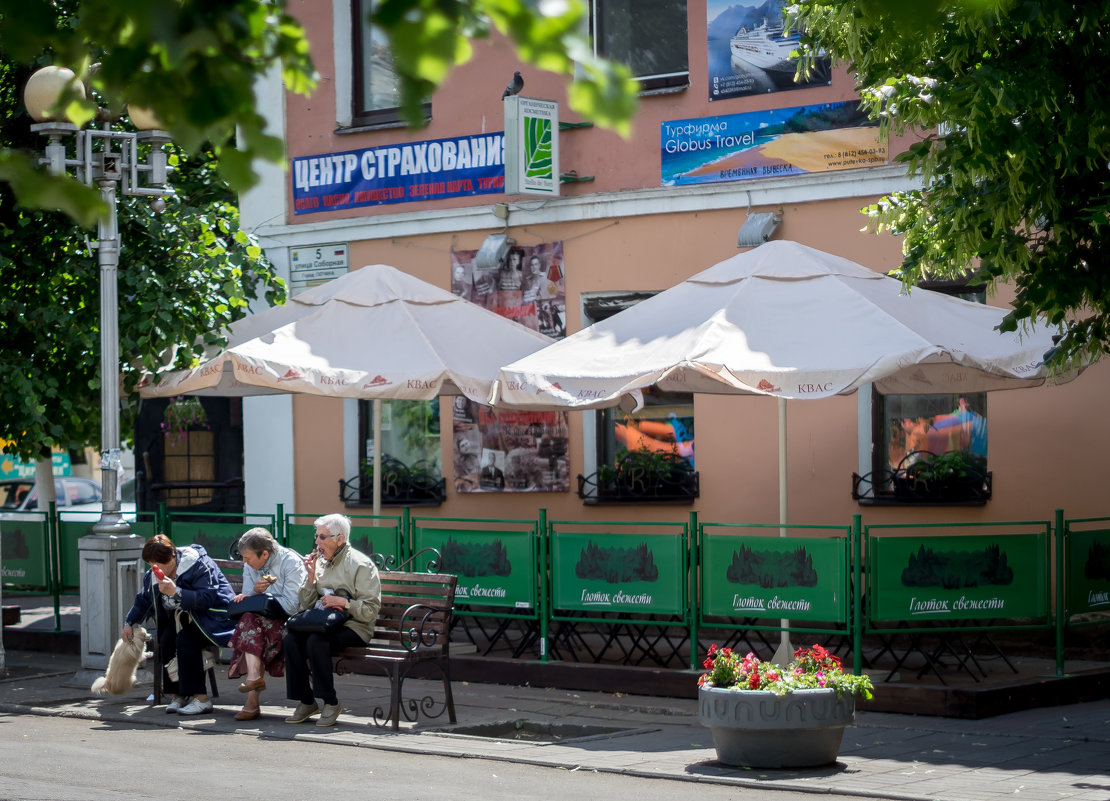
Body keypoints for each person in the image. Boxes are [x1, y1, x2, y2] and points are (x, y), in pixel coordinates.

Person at [283, 513, 381, 727]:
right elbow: (306, 605)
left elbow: (370, 612)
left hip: (355, 626)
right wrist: (310, 578)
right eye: (316, 537)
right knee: (291, 639)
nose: (317, 542)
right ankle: (306, 701)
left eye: (323, 537)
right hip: (324, 623)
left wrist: (344, 603)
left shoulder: (361, 565)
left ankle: (330, 702)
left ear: (340, 539)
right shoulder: (319, 563)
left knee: (316, 641)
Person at [122, 534, 235, 716]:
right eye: (152, 564)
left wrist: (177, 591)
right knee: (166, 637)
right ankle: (178, 694)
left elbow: (208, 598)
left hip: (213, 617)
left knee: (185, 638)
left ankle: (201, 699)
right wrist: (129, 623)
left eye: (160, 564)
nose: (156, 568)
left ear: (173, 555)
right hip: (182, 618)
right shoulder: (154, 574)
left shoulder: (197, 564)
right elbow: (144, 599)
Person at [227, 527, 307, 721]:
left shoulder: (290, 563)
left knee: (252, 629)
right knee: (250, 621)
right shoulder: (250, 564)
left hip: (290, 621)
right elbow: (247, 598)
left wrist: (268, 596)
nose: (244, 562)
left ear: (265, 554)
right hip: (260, 622)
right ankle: (254, 678)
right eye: (243, 558)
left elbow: (293, 606)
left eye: (248, 558)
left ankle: (252, 699)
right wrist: (254, 591)